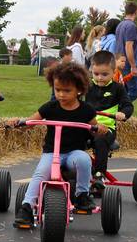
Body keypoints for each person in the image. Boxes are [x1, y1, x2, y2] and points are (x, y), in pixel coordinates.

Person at [11, 62, 107, 226]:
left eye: (67, 90)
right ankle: (27, 206)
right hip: (51, 153)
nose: (61, 94)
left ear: (79, 90)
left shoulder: (86, 110)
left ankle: (82, 196)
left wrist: (99, 129)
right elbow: (31, 121)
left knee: (84, 160)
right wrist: (19, 123)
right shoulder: (50, 107)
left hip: (74, 152)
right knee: (41, 173)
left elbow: (94, 128)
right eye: (58, 90)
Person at [85, 50, 133, 192]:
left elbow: (128, 105)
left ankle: (99, 175)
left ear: (114, 72)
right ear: (91, 71)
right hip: (86, 127)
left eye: (104, 74)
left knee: (100, 139)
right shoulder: (86, 87)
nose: (100, 78)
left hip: (106, 128)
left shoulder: (117, 88)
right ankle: (70, 171)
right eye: (96, 74)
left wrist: (123, 113)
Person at [115, 2, 137, 101]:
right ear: (136, 12)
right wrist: (133, 66)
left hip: (119, 61)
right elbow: (128, 46)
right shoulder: (131, 26)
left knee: (122, 90)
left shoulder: (120, 25)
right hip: (127, 63)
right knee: (133, 92)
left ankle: (120, 111)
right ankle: (121, 110)